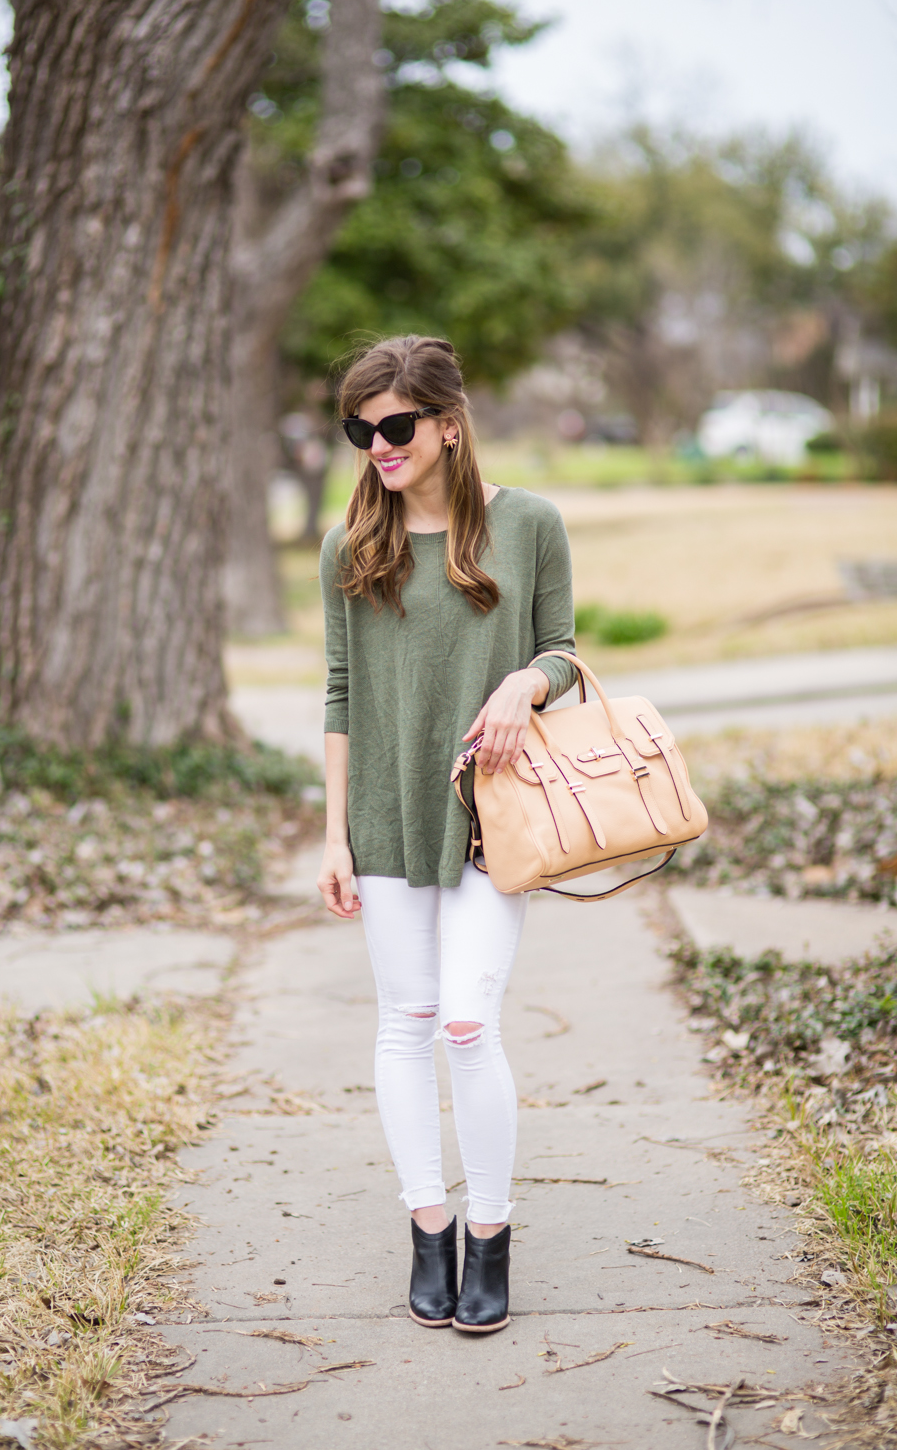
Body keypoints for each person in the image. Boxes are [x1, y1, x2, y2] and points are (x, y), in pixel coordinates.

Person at [317, 336, 576, 1334]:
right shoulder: (352, 550)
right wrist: (333, 837)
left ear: (448, 425)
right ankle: (428, 1225)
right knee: (404, 1021)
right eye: (359, 430)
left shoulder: (530, 525)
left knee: (466, 1023)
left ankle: (491, 1234)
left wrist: (524, 680)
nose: (377, 445)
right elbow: (340, 694)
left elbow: (560, 649)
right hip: (383, 816)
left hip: (492, 822)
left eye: (395, 427)